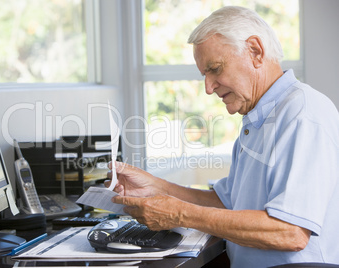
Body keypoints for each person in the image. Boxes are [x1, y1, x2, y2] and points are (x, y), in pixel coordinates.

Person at [107, 6, 339, 268]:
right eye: (204, 75)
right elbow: (227, 203)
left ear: (255, 51)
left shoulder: (303, 114)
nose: (208, 88)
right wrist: (156, 186)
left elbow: (290, 232)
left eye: (215, 69)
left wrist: (179, 213)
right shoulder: (257, 119)